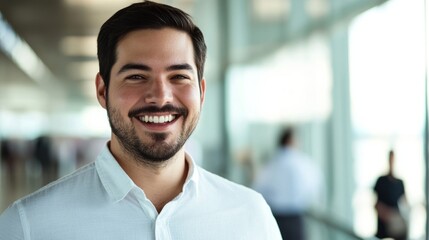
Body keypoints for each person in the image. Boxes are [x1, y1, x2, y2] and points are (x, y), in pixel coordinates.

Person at [0, 2, 281, 239]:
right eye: (136, 76)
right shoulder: (29, 225)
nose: (160, 97)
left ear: (202, 91)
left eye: (179, 77)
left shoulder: (251, 216)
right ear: (102, 90)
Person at [253, 127, 322, 240]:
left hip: (276, 217)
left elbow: (259, 188)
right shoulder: (304, 163)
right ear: (291, 141)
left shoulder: (271, 165)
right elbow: (314, 188)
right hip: (296, 217)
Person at [373, 150, 408, 240]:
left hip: (396, 225)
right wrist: (386, 214)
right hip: (383, 226)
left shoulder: (400, 182)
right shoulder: (381, 181)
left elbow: (405, 203)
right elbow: (375, 204)